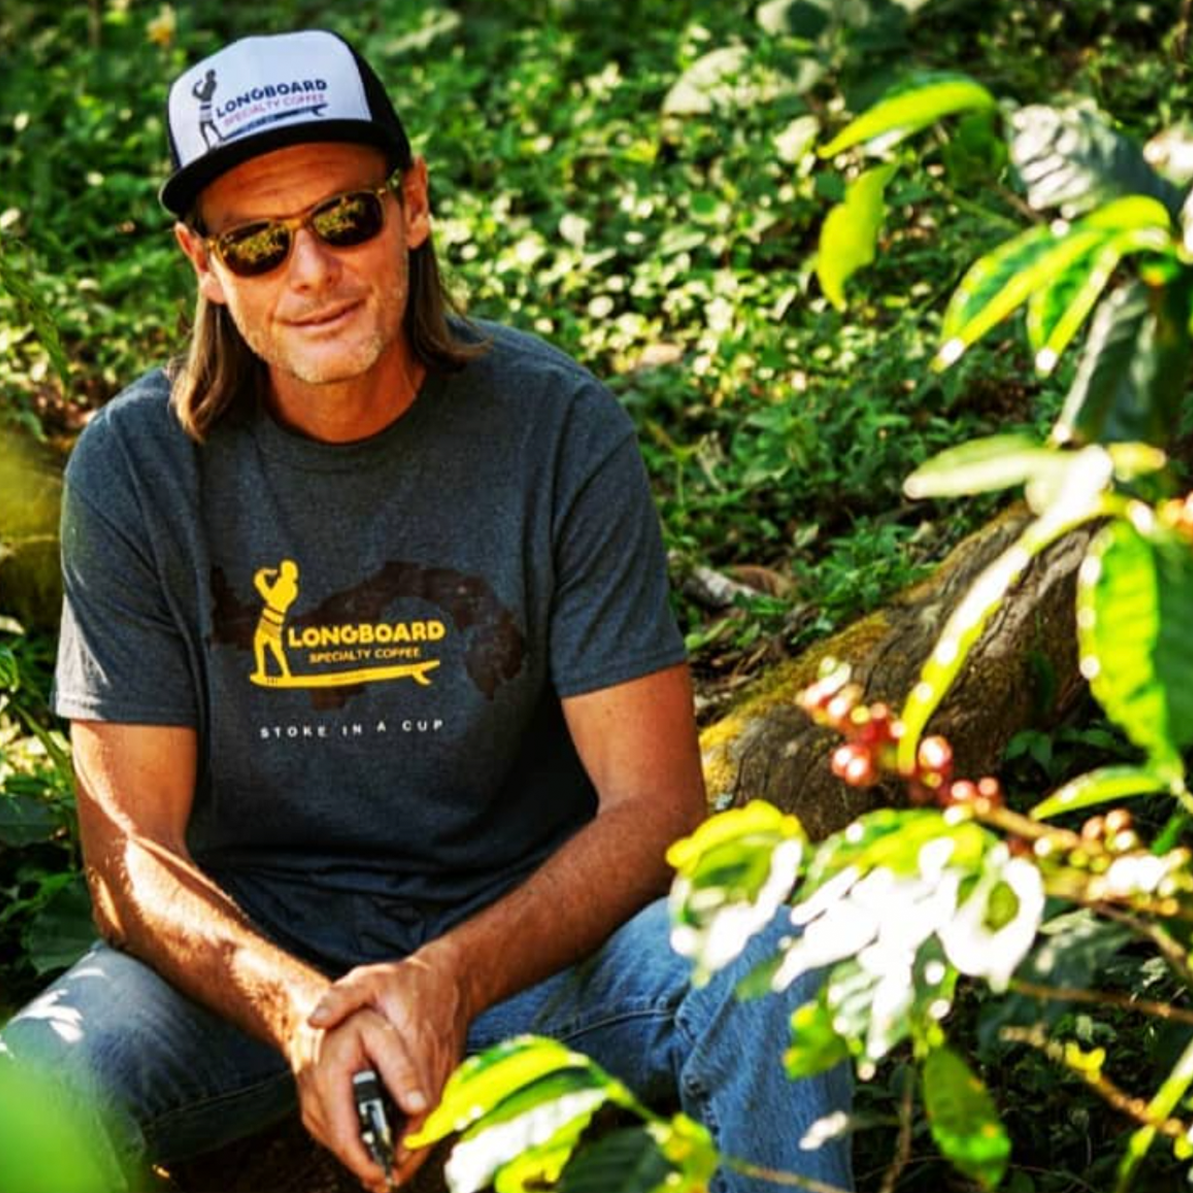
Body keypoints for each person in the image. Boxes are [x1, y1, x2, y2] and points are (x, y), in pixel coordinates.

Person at [0, 29, 852, 1193]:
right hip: (248, 984)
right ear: (203, 263)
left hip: (532, 957)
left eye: (342, 218)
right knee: (25, 1094)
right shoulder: (138, 465)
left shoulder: (555, 429)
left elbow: (654, 803)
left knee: (771, 949)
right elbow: (127, 850)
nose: (308, 270)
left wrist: (446, 976)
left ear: (412, 205)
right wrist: (300, 1010)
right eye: (256, 242)